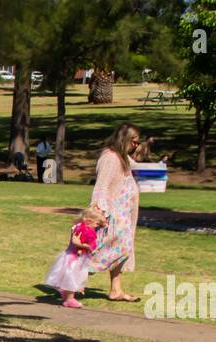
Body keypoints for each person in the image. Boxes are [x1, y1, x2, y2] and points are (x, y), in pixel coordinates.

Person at [89, 123, 142, 302]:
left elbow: (140, 167)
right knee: (101, 250)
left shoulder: (122, 157)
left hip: (123, 216)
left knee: (122, 250)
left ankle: (116, 289)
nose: (136, 145)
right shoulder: (110, 157)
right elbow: (101, 185)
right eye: (134, 141)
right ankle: (71, 282)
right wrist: (99, 210)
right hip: (111, 215)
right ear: (124, 138)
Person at [43, 205, 106, 308]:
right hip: (72, 258)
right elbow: (75, 241)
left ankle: (66, 294)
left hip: (79, 258)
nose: (97, 227)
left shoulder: (89, 230)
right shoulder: (78, 229)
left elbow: (91, 245)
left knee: (74, 277)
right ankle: (69, 299)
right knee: (71, 277)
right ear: (88, 221)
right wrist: (84, 246)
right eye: (97, 224)